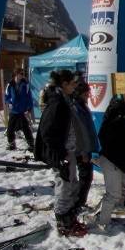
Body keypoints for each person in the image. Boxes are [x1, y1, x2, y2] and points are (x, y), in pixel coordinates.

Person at [34, 69, 87, 237]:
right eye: (72, 84)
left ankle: (69, 218)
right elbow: (46, 132)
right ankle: (63, 222)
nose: (74, 87)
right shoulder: (58, 103)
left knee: (71, 184)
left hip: (68, 150)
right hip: (61, 153)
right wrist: (60, 154)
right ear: (64, 84)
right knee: (64, 186)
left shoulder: (64, 100)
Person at [69, 79, 98, 219]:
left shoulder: (82, 106)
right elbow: (80, 132)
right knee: (85, 177)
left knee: (86, 177)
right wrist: (83, 152)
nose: (88, 96)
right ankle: (78, 204)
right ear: (80, 94)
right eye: (86, 93)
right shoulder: (76, 108)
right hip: (81, 149)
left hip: (85, 148)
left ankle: (80, 202)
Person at [4, 68, 35, 151]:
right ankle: (11, 143)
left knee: (25, 127)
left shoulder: (25, 84)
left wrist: (29, 108)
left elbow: (29, 97)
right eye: (21, 73)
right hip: (14, 110)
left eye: (23, 74)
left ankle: (31, 144)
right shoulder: (10, 84)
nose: (22, 75)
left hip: (22, 110)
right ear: (16, 74)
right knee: (10, 128)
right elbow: (6, 96)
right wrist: (9, 102)